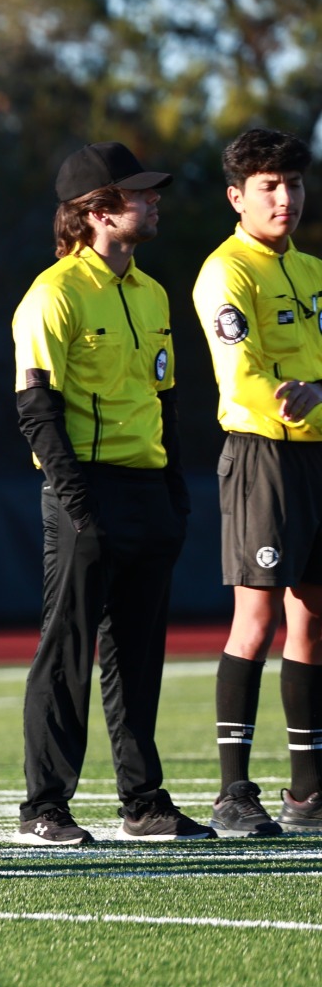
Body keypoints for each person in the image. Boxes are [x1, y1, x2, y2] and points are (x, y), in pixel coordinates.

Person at [10, 141, 211, 845]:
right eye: (140, 194)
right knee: (66, 650)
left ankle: (143, 803)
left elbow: (165, 400)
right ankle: (44, 808)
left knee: (138, 652)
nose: (153, 202)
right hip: (83, 492)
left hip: (147, 491)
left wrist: (175, 494)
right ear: (95, 211)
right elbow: (36, 411)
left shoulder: (152, 290)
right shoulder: (53, 293)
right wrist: (78, 503)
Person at [193, 128, 322, 836]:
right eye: (270, 187)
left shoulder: (313, 271)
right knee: (258, 617)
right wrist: (292, 393)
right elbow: (241, 372)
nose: (286, 198)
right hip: (263, 454)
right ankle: (233, 792)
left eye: (294, 184)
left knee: (314, 619)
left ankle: (308, 793)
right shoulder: (225, 271)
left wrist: (320, 390)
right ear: (237, 197)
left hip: (317, 453)